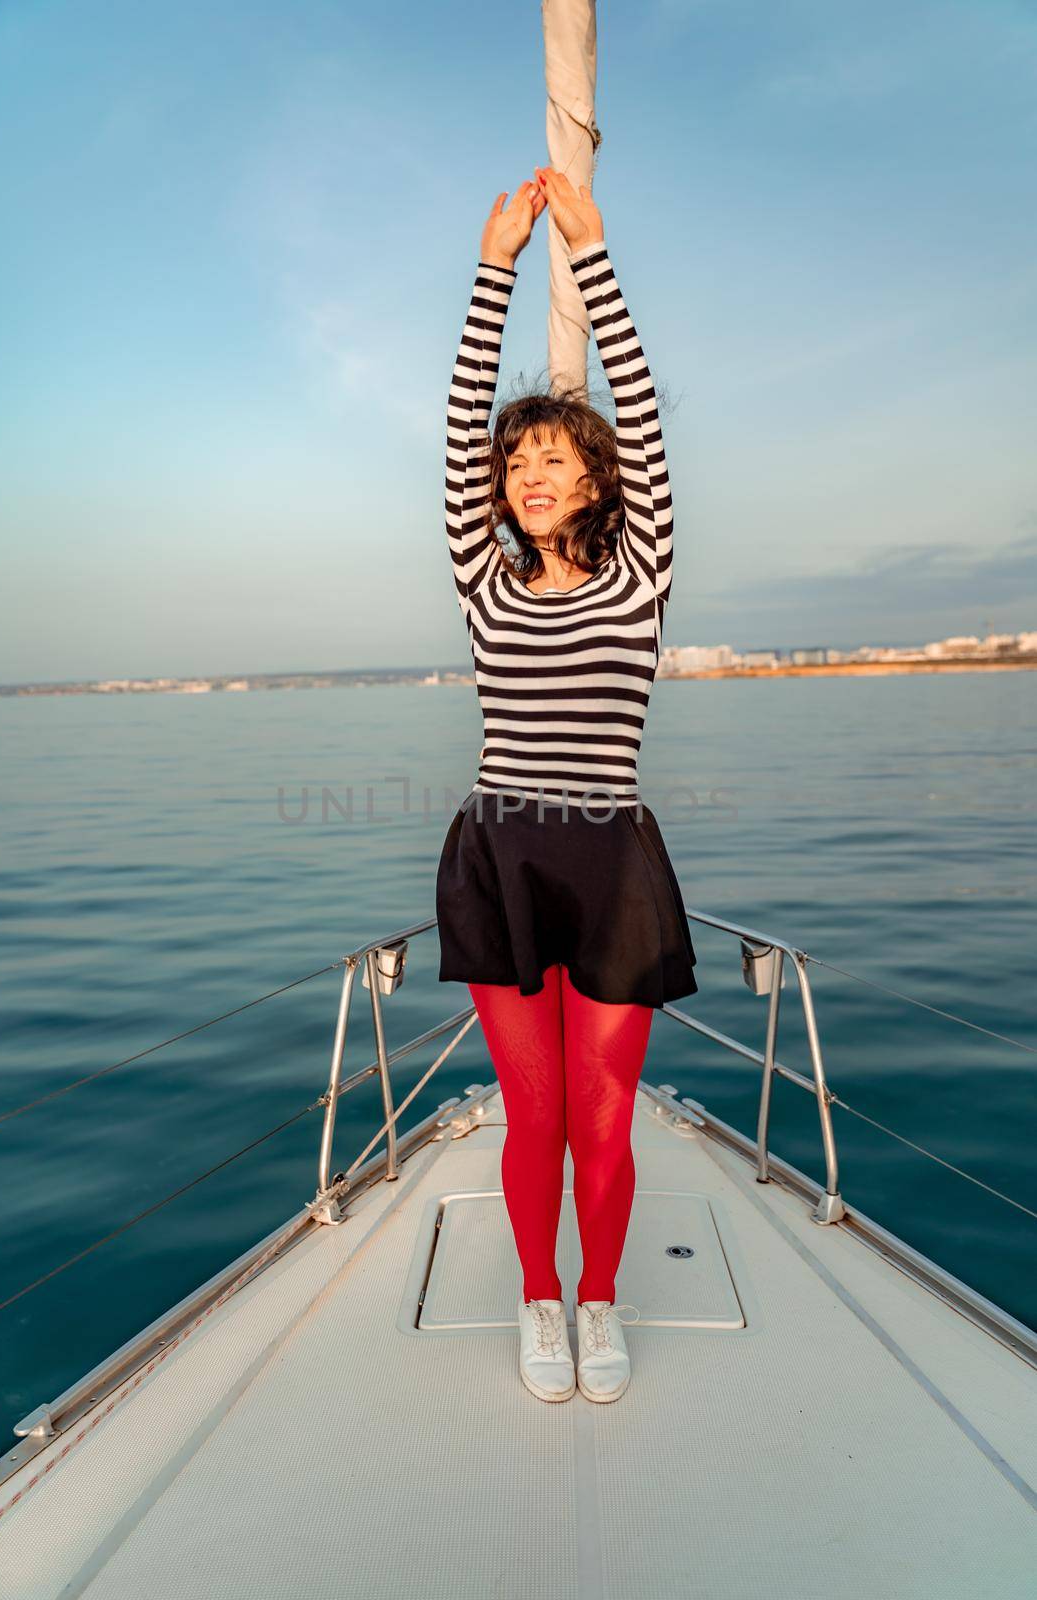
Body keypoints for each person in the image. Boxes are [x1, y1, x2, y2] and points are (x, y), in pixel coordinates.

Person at [436, 166, 699, 1404]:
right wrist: (491, 271)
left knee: (605, 1114)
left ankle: (599, 1301)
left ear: (593, 482)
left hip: (608, 863)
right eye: (515, 464)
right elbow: (454, 439)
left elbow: (641, 419)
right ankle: (539, 1299)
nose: (527, 473)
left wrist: (589, 257)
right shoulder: (482, 583)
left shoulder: (638, 576)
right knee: (528, 1114)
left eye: (553, 458)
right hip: (500, 857)